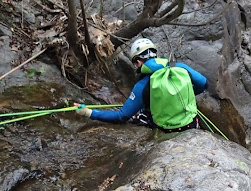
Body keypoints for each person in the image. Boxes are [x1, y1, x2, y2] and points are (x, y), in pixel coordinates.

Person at [74, 38, 207, 132]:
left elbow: (122, 116)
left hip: (167, 130)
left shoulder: (142, 84)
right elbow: (203, 84)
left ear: (138, 62)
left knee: (141, 115)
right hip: (191, 125)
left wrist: (89, 112)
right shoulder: (180, 67)